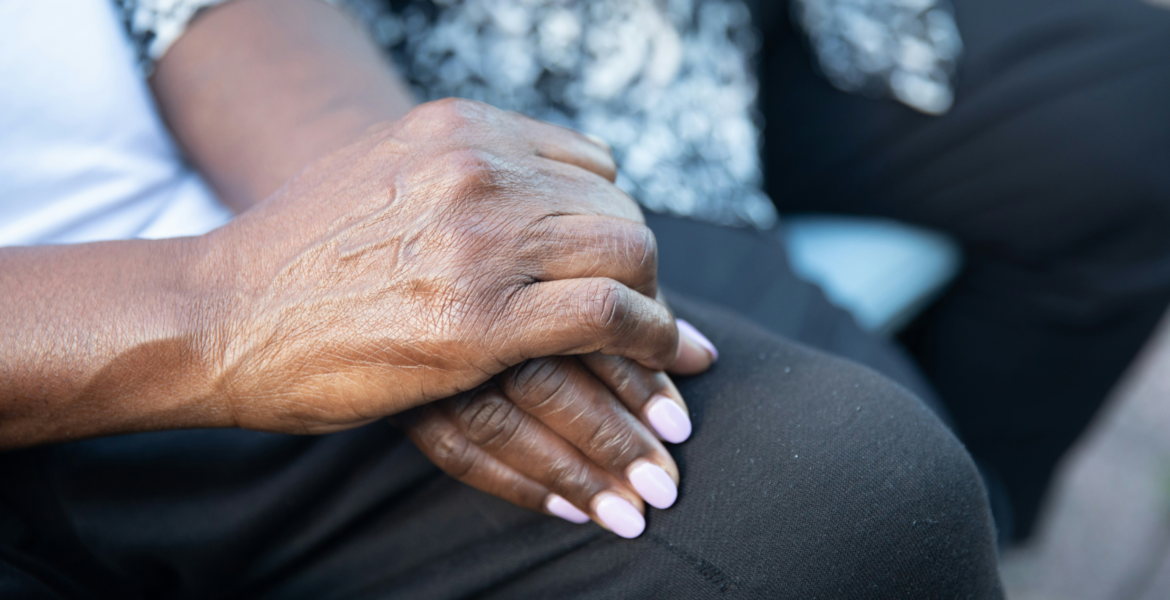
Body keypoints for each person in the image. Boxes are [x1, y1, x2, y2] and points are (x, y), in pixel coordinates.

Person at [0, 0, 1002, 598]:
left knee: (852, 486)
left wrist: (398, 224)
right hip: (71, 355)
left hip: (241, 212)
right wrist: (221, 305)